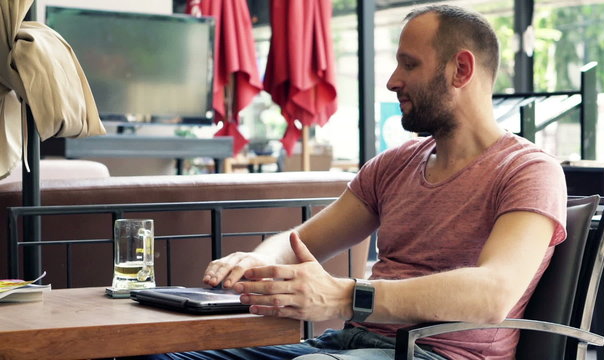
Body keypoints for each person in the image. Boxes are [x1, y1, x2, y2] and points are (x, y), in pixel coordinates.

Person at [139, 4, 567, 360]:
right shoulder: (392, 166)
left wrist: (347, 296)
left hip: (433, 354)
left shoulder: (528, 171)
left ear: (460, 69)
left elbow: (493, 293)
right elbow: (299, 243)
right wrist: (255, 260)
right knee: (155, 355)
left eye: (409, 64)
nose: (392, 80)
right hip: (345, 345)